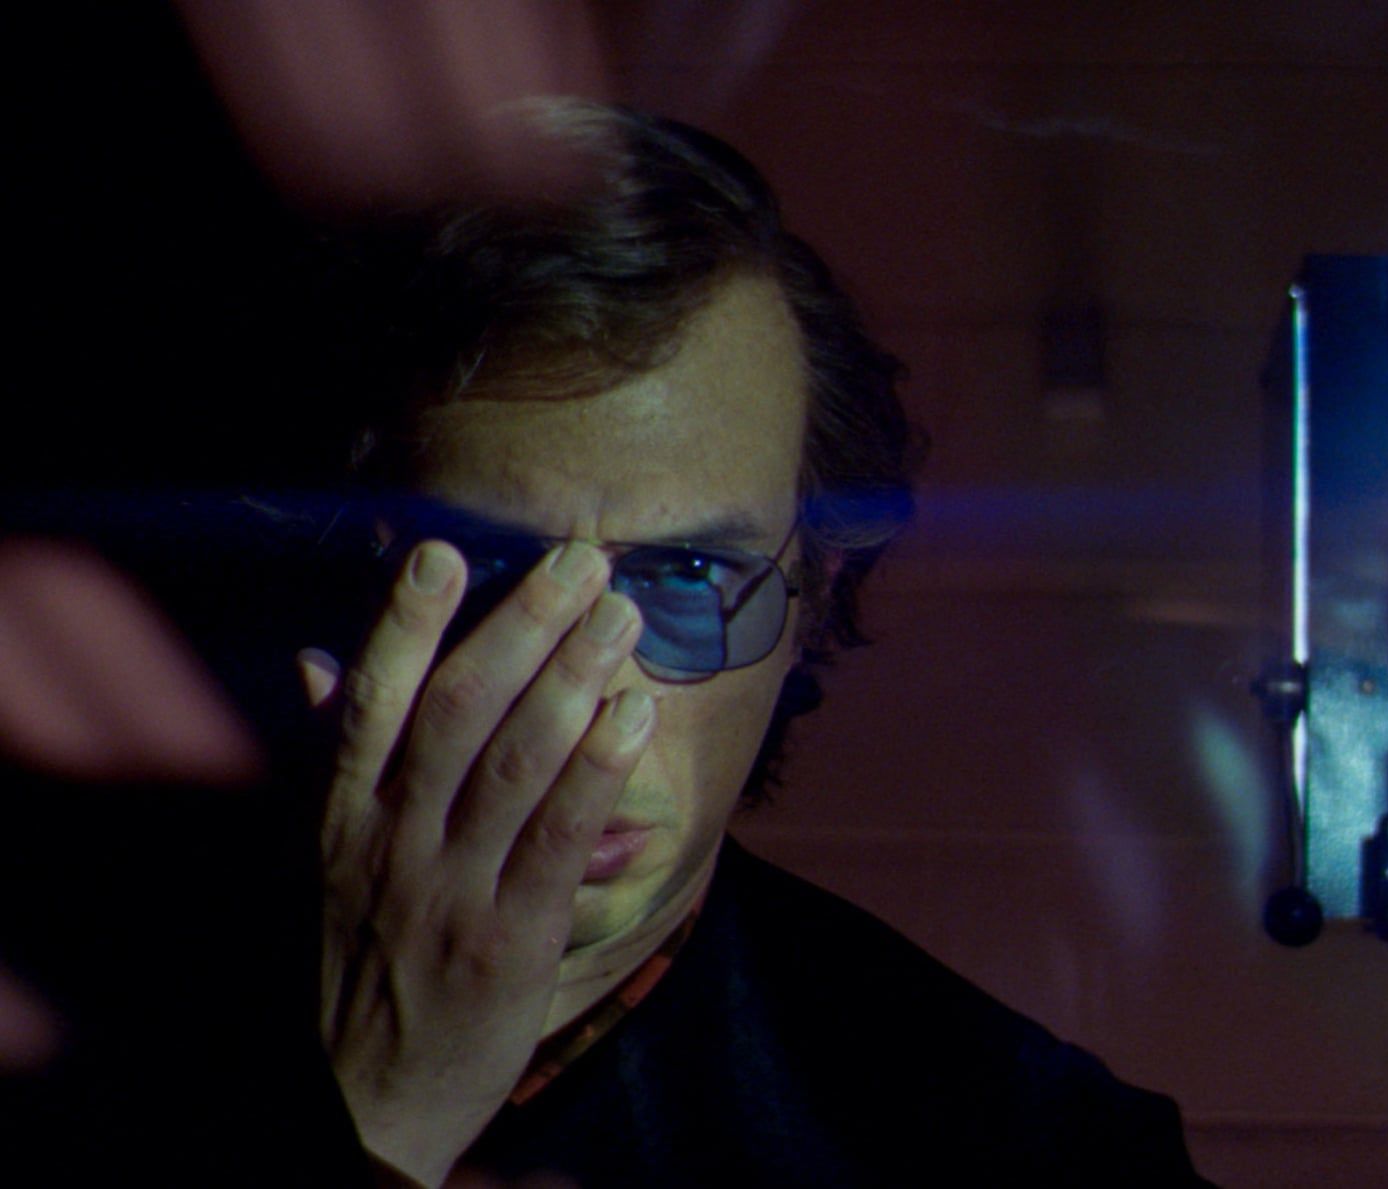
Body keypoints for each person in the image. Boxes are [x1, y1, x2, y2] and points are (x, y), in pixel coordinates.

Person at [290, 98, 1204, 1186]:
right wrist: (378, 1121)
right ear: (352, 580)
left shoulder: (1027, 1148)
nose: (588, 701)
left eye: (687, 574)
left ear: (810, 602)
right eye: (493, 574)